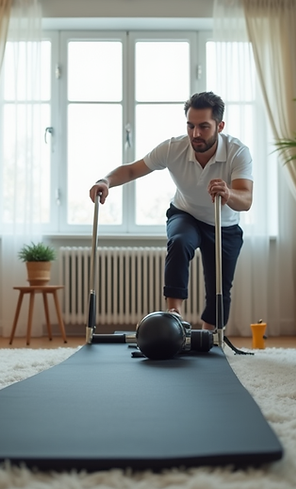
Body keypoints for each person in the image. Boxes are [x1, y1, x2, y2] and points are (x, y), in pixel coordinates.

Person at [88, 91, 253, 330]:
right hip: (185, 213)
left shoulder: (237, 152)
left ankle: (209, 337)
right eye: (191, 126)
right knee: (179, 241)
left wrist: (229, 193)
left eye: (204, 127)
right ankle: (174, 314)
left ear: (220, 126)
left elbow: (246, 199)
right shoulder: (173, 148)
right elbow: (133, 170)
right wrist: (105, 181)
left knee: (220, 286)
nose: (195, 134)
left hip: (222, 224)